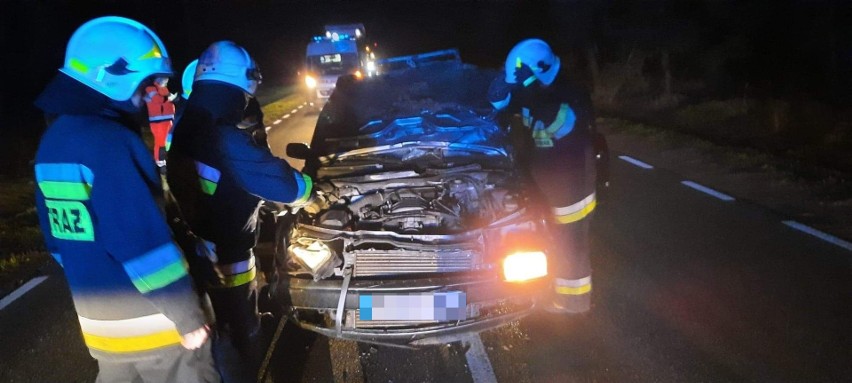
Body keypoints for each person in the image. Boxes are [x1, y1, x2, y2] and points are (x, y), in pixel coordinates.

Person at [32, 16, 219, 382]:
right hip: (159, 330)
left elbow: (58, 243)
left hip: (102, 329)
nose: (150, 94)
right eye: (147, 83)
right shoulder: (112, 142)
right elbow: (142, 244)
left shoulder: (51, 144)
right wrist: (187, 315)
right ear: (114, 77)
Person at [167, 41, 319, 367]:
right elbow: (280, 183)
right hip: (227, 260)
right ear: (244, 82)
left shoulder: (185, 122)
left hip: (195, 252)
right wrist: (311, 191)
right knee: (241, 338)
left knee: (219, 339)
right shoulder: (224, 135)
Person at [488, 38, 597, 314]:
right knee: (552, 240)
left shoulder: (571, 92)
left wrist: (529, 91)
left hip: (572, 185)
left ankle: (574, 302)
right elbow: (499, 104)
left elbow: (561, 124)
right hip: (548, 180)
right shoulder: (533, 90)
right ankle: (555, 287)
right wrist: (502, 83)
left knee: (570, 244)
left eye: (526, 79)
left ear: (538, 71)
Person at [145, 76, 177, 168]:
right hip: (158, 121)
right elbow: (158, 100)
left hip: (167, 119)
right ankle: (160, 162)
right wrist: (170, 98)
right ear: (159, 80)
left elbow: (167, 100)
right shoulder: (150, 89)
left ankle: (164, 160)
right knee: (160, 142)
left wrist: (173, 98)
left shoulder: (163, 89)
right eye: (165, 81)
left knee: (166, 141)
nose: (166, 83)